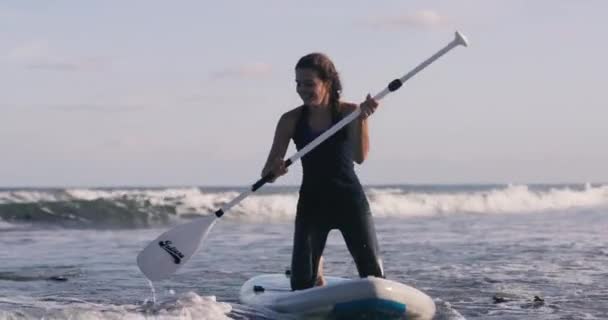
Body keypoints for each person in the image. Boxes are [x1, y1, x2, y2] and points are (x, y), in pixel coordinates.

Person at [261, 52, 384, 290]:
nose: (301, 89)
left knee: (373, 276)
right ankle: (315, 267)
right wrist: (275, 170)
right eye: (298, 83)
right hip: (312, 204)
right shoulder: (291, 120)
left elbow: (360, 157)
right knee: (301, 286)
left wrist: (363, 119)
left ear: (327, 82)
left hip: (350, 201)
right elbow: (268, 173)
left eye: (309, 83)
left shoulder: (350, 113)